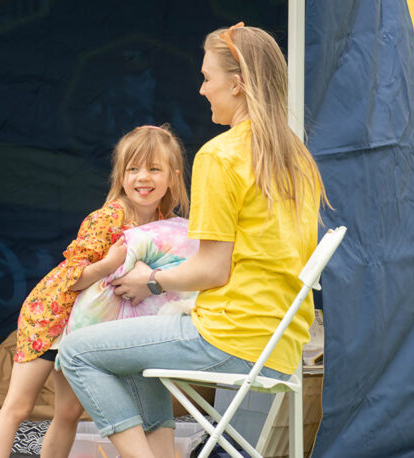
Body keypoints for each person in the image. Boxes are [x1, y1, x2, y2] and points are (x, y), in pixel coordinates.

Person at [58, 22, 329, 458]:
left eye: (207, 79)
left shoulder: (220, 155)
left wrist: (151, 281)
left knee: (75, 353)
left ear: (237, 85)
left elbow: (211, 269)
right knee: (133, 352)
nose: (202, 90)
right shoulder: (297, 156)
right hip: (279, 343)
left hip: (230, 336)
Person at [0, 124, 189, 458]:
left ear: (172, 177)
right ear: (120, 176)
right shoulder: (108, 217)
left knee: (67, 413)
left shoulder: (163, 225)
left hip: (86, 329)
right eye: (133, 169)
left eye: (154, 169)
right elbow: (72, 278)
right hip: (52, 318)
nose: (143, 178)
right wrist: (110, 263)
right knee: (18, 406)